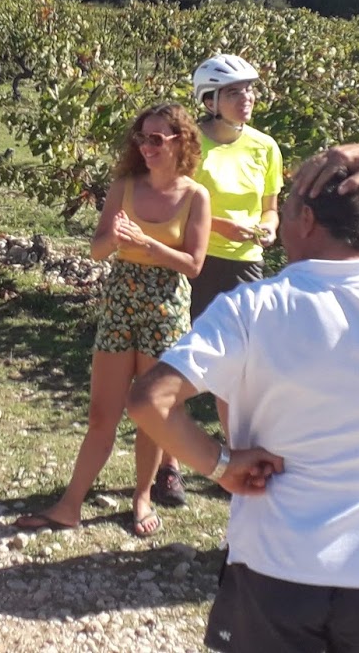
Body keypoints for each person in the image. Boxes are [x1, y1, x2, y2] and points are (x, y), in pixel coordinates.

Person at [129, 140, 359, 653]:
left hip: (273, 571)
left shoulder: (252, 309)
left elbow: (150, 399)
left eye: (290, 199)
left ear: (308, 221)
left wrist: (220, 465)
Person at [15, 103, 211, 537]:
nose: (146, 147)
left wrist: (147, 244)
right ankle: (70, 505)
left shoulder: (196, 196)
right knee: (103, 414)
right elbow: (97, 249)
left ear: (181, 141)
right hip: (120, 302)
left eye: (156, 139)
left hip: (165, 309)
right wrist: (115, 241)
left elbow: (194, 265)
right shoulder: (124, 185)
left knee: (151, 414)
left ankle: (142, 497)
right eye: (141, 138)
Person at [153, 55, 283, 509]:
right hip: (195, 261)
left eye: (249, 90)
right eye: (234, 92)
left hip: (246, 266)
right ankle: (169, 468)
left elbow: (270, 205)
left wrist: (268, 226)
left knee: (241, 369)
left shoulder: (266, 147)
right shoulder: (191, 146)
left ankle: (234, 456)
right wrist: (220, 226)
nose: (246, 98)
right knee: (182, 360)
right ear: (209, 100)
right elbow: (174, 204)